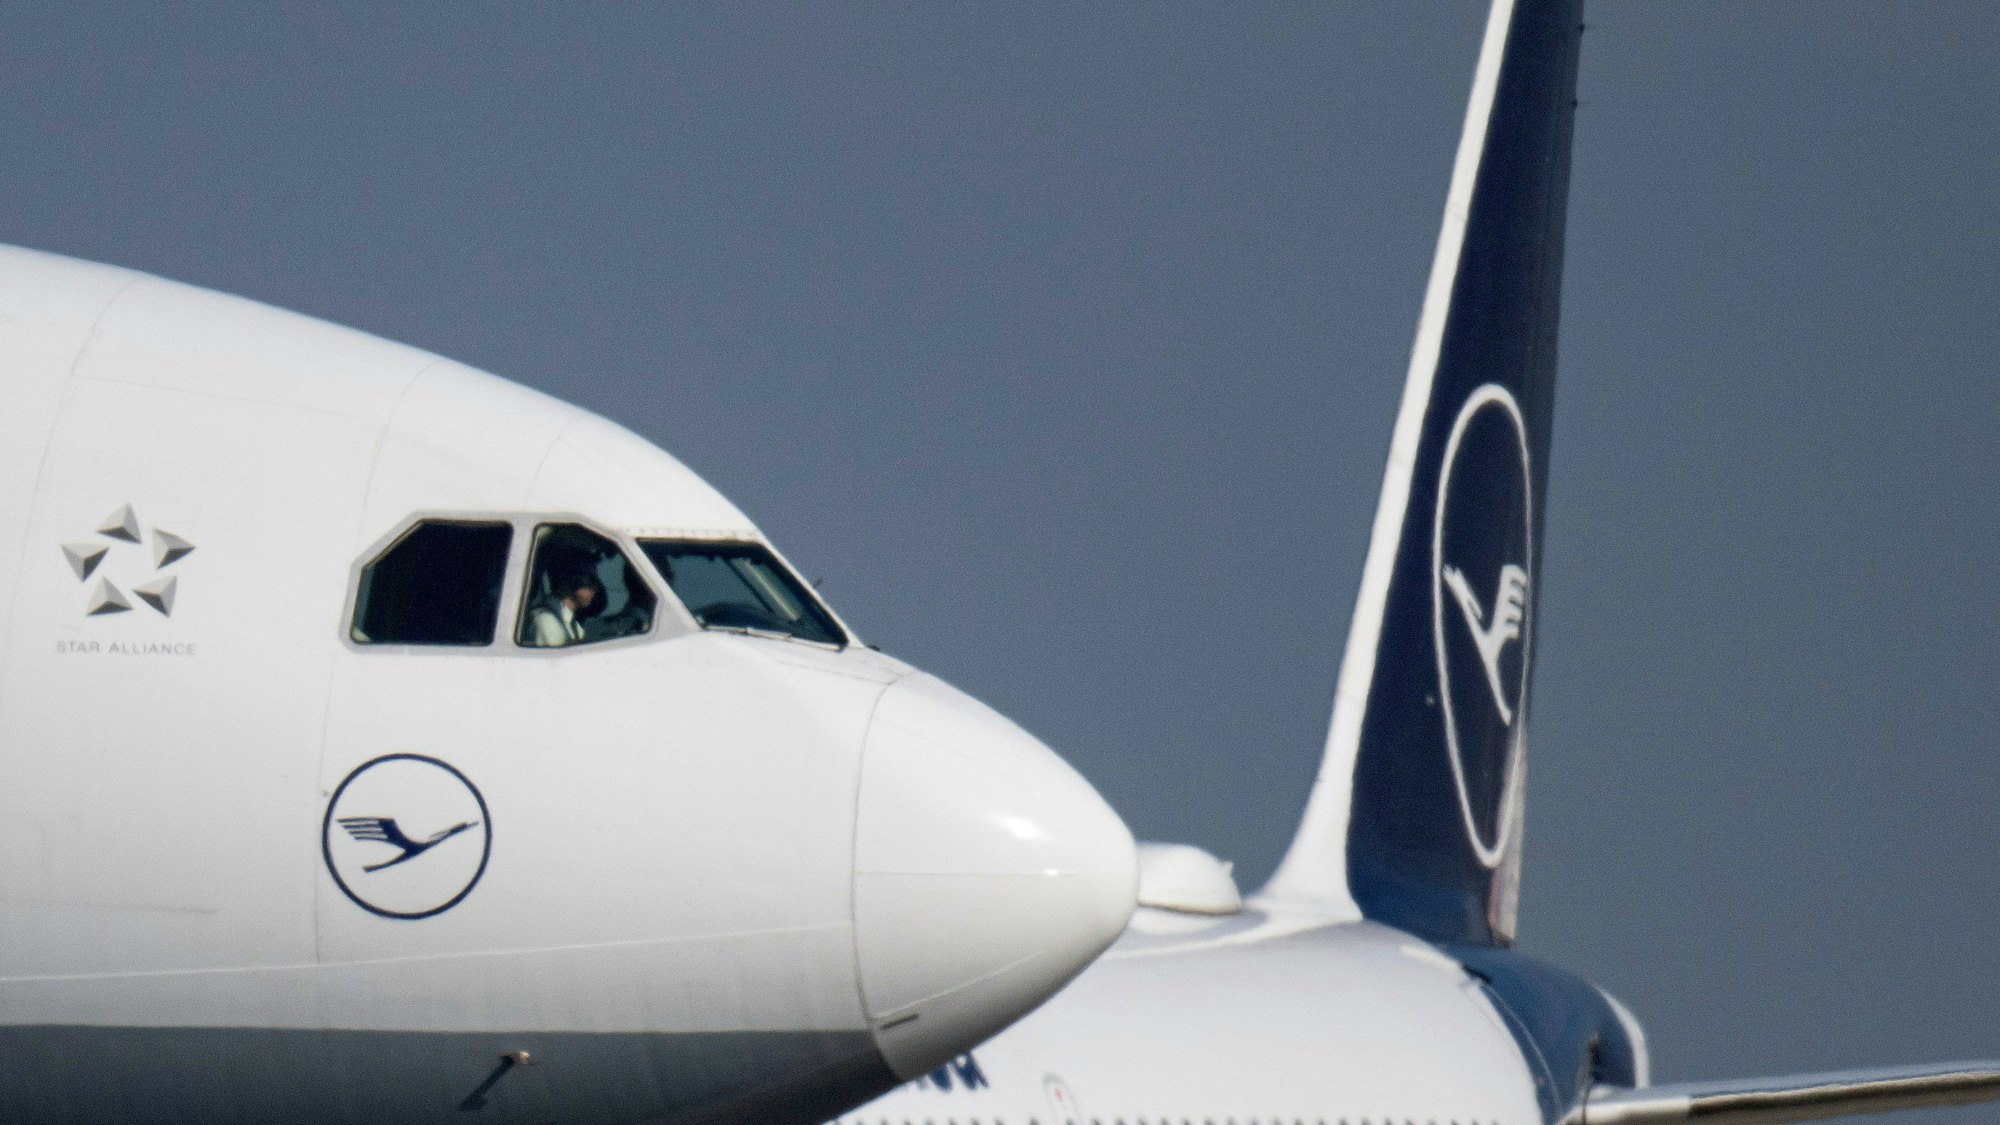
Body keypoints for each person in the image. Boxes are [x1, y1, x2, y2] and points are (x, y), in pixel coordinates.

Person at [524, 570, 600, 647]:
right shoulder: (546, 621)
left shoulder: (575, 626)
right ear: (568, 582)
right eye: (589, 582)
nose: (595, 590)